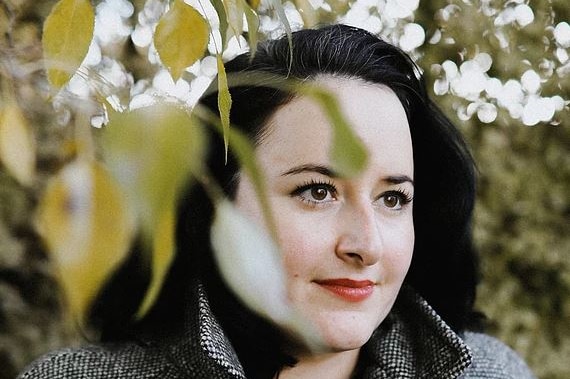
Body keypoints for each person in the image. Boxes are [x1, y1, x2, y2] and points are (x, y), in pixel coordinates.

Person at [19, 24, 535, 379]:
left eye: (394, 198)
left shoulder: (494, 371)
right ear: (214, 202)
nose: (367, 245)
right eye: (317, 191)